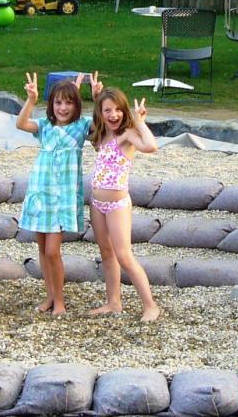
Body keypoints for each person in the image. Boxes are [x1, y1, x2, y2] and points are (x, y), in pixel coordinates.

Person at [16, 71, 102, 316]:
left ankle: (60, 301)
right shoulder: (45, 126)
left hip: (62, 198)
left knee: (53, 251)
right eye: (58, 102)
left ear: (77, 105)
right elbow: (21, 124)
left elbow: (101, 125)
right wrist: (31, 100)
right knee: (43, 250)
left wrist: (97, 98)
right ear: (51, 105)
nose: (63, 108)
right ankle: (50, 296)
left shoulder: (81, 126)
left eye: (69, 102)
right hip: (41, 193)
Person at [88, 88, 160, 322]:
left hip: (117, 205)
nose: (114, 114)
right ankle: (113, 301)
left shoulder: (127, 135)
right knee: (106, 252)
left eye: (118, 110)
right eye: (108, 110)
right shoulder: (101, 134)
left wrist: (140, 122)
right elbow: (96, 116)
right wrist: (96, 96)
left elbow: (151, 146)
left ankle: (150, 305)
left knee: (124, 256)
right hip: (97, 203)